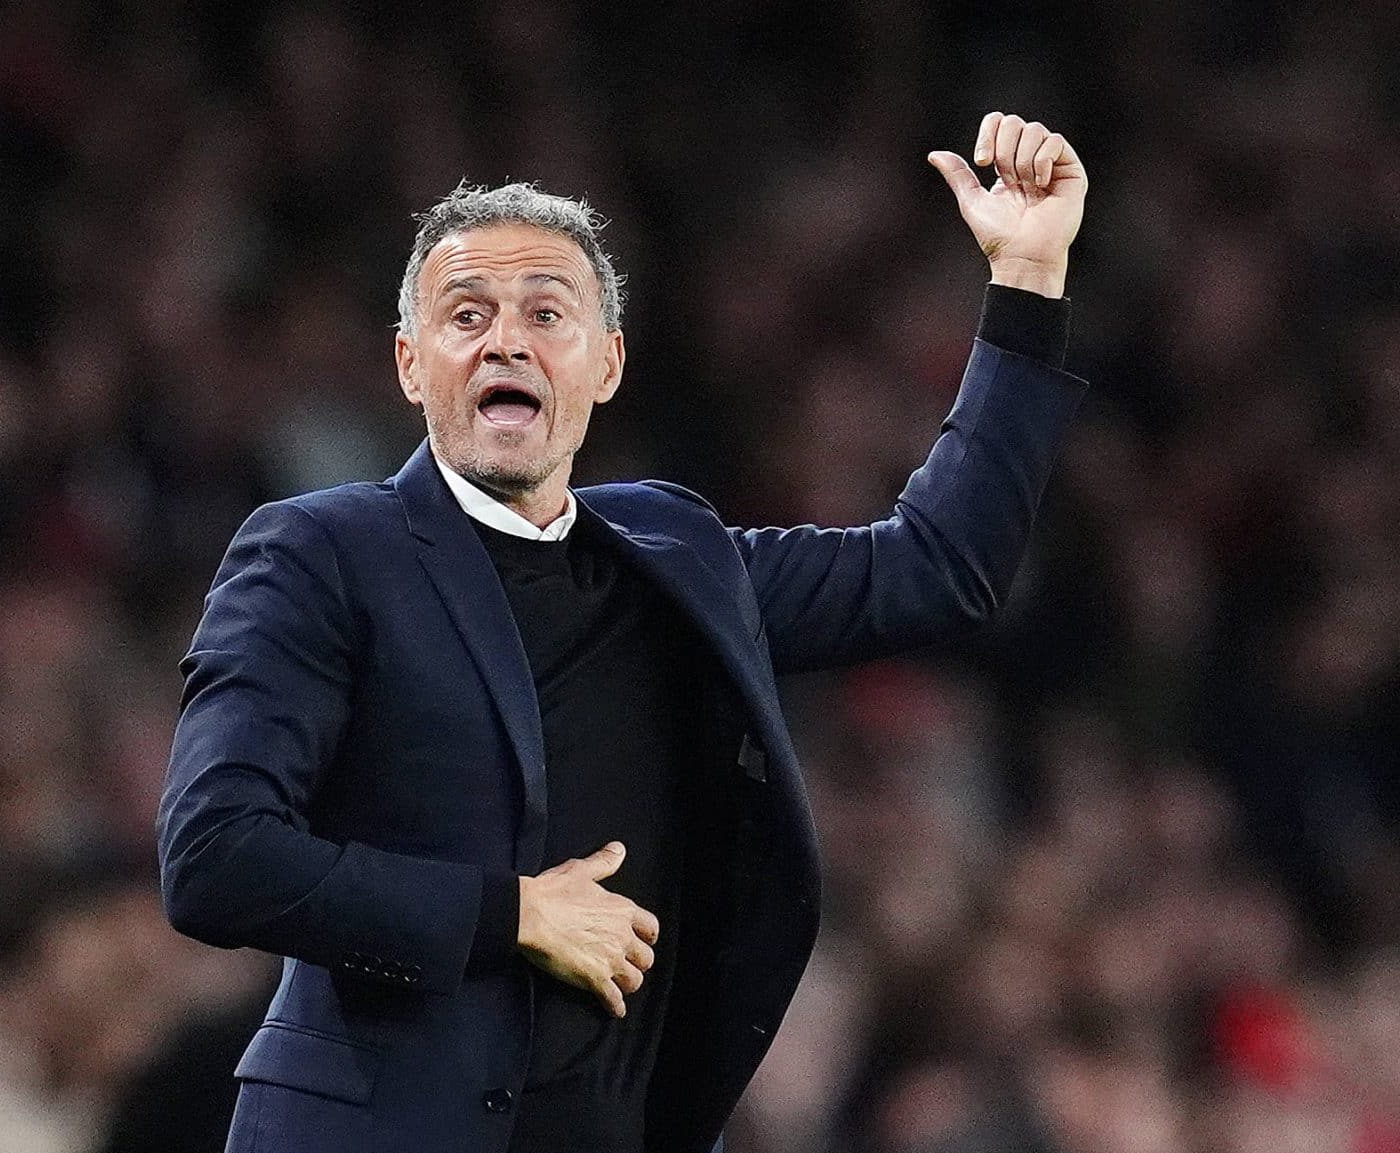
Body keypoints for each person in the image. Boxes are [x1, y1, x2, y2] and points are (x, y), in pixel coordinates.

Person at [158, 111, 1090, 1153]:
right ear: (411, 366)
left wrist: (1026, 279)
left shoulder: (676, 560)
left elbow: (937, 567)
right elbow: (215, 855)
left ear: (604, 363)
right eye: (465, 315)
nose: (505, 338)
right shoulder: (318, 552)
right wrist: (506, 914)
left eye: (545, 312)